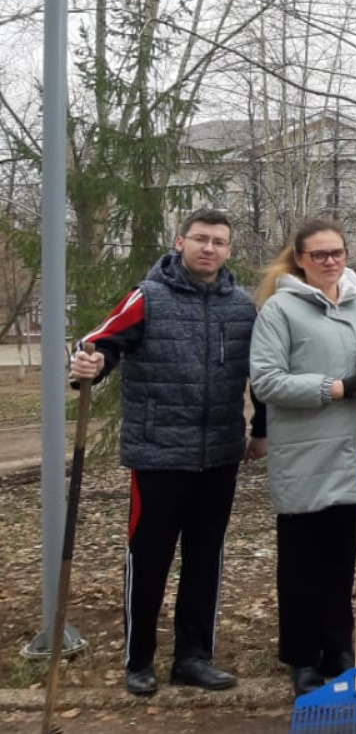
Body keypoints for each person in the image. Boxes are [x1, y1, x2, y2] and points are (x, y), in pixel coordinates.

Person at [67, 209, 256, 696]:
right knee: (148, 560)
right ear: (180, 241)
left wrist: (263, 430)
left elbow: (264, 370)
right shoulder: (147, 297)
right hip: (156, 456)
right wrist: (89, 363)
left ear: (229, 250)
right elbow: (100, 342)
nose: (209, 248)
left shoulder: (242, 306)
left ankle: (193, 658)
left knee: (204, 560)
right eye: (200, 239)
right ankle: (139, 660)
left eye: (219, 241)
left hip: (218, 455)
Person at [250, 218, 356, 697]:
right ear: (300, 258)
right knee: (301, 564)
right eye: (319, 255)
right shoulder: (280, 310)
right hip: (304, 456)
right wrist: (338, 387)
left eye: (337, 252)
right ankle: (301, 657)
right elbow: (267, 381)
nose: (331, 261)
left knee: (342, 560)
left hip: (352, 453)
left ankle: (339, 647)